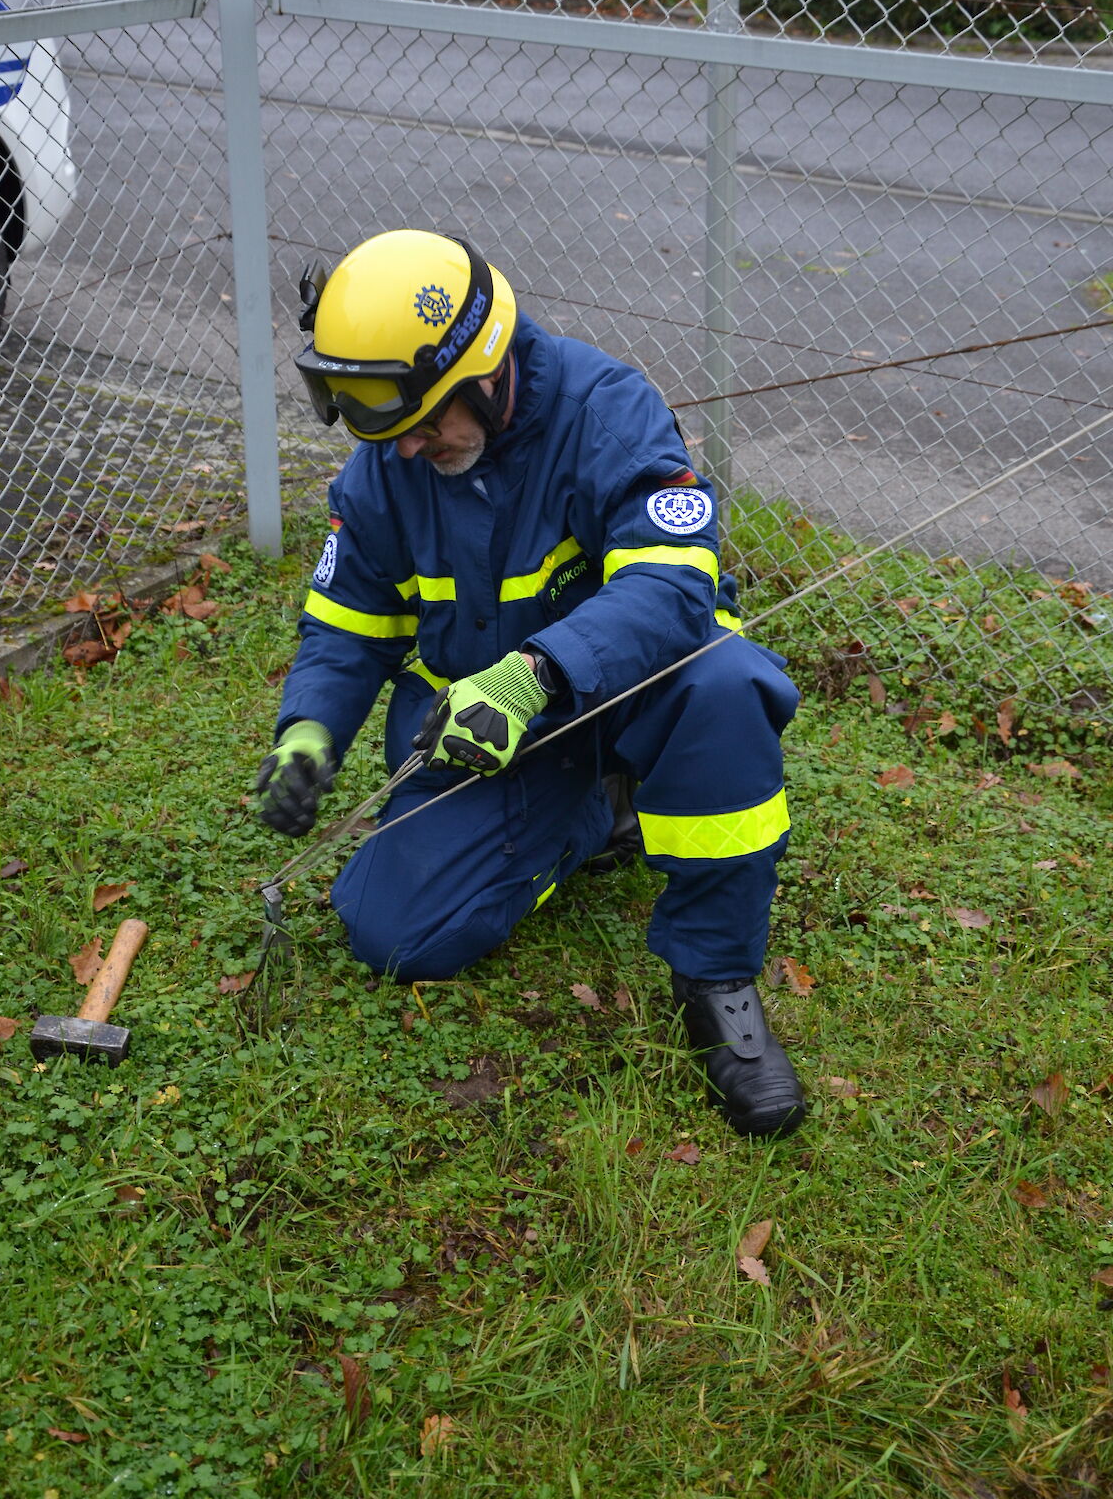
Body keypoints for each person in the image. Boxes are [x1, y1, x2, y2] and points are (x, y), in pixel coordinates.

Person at [256, 229, 805, 1139]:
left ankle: (717, 986)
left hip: (622, 699)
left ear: (488, 370)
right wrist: (309, 730)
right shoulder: (391, 464)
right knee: (391, 932)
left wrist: (536, 675)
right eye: (386, 428)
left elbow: (672, 583)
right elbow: (346, 623)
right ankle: (598, 815)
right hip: (480, 733)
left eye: (428, 422)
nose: (406, 449)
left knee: (722, 682)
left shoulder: (609, 409)